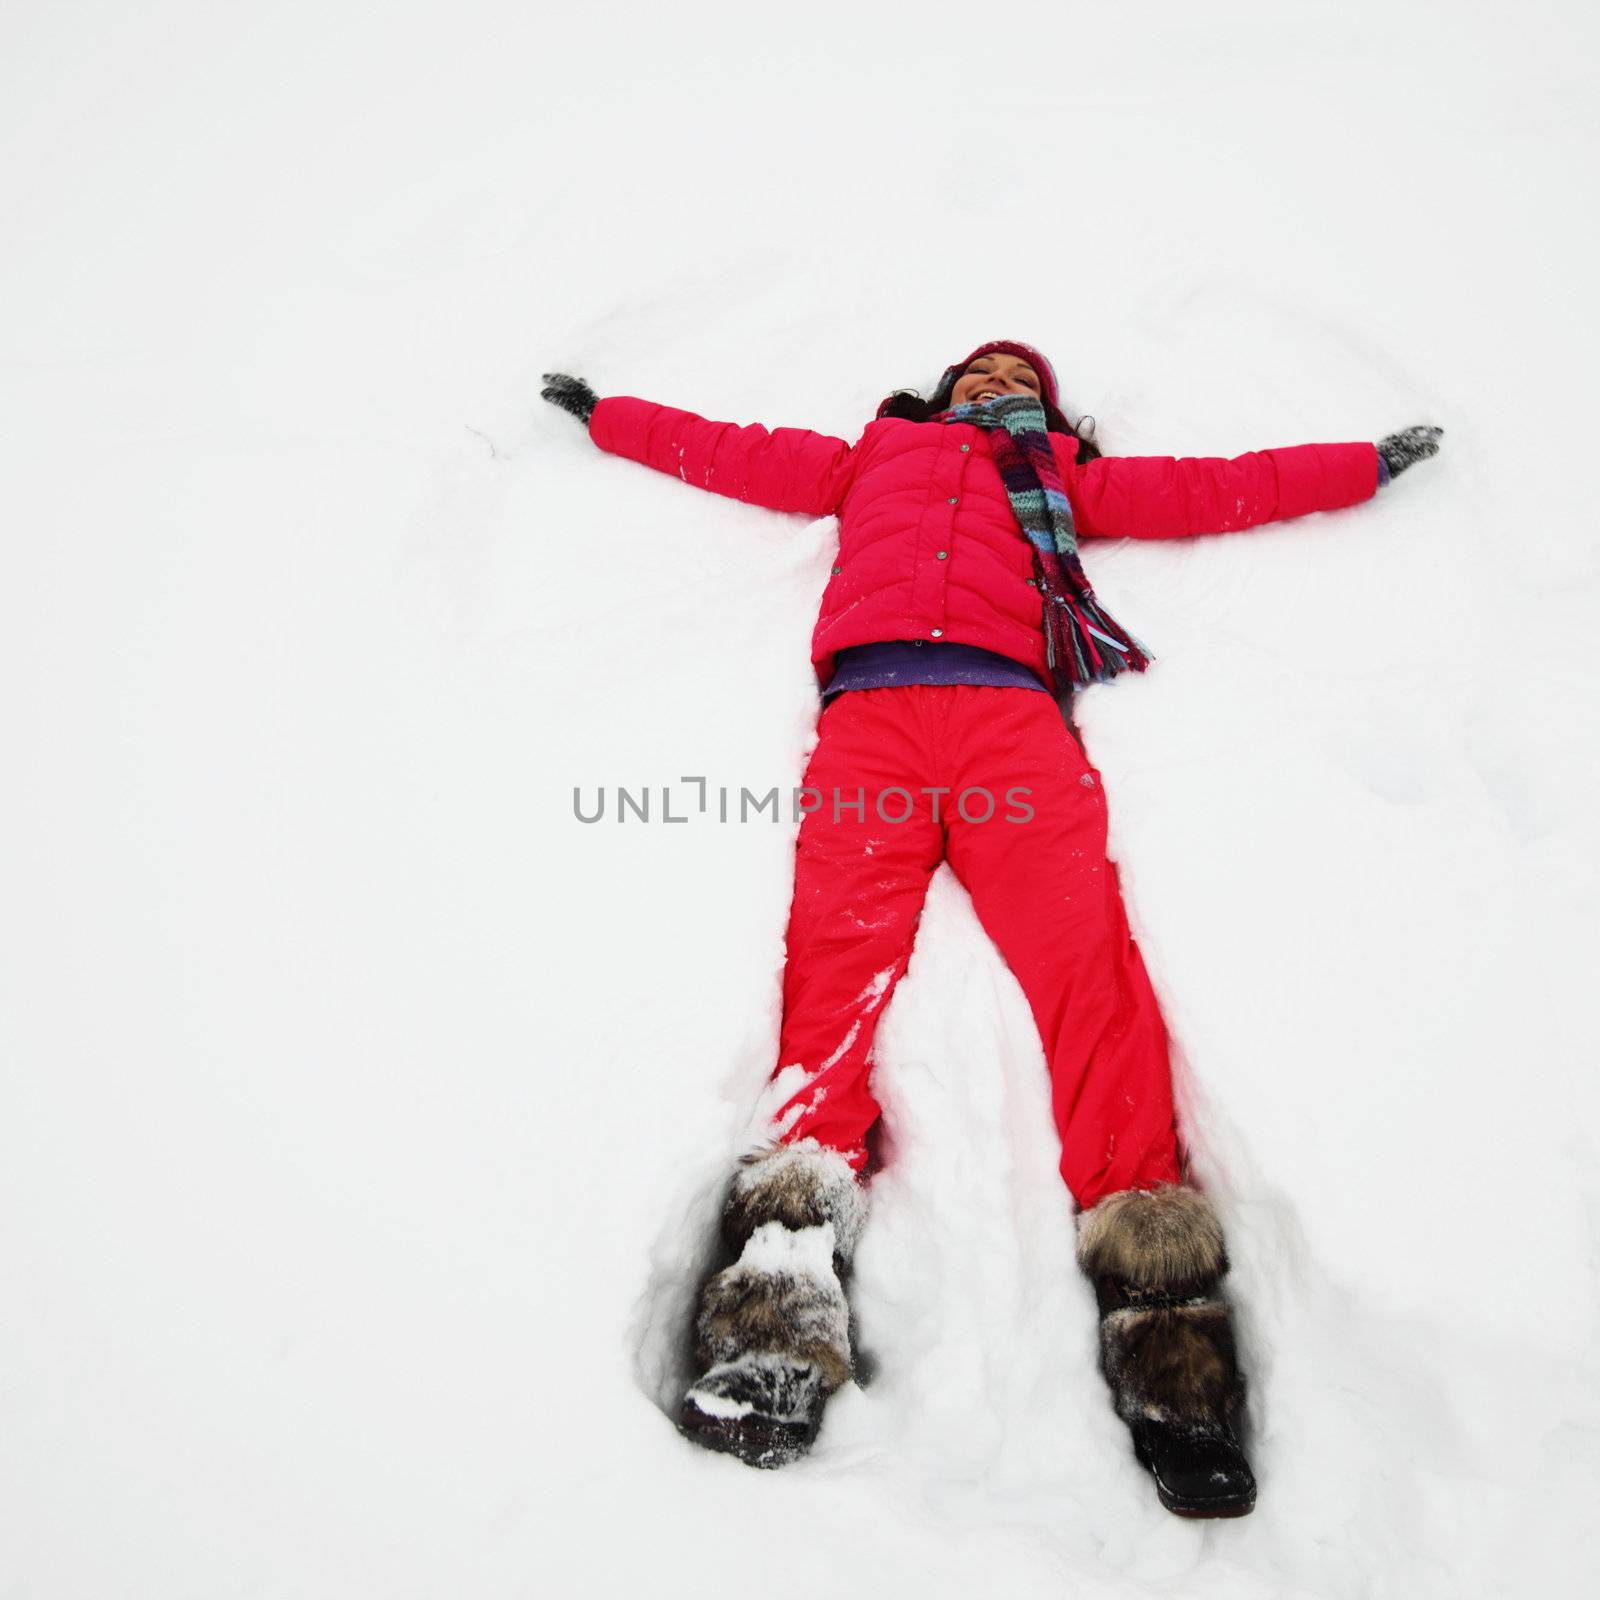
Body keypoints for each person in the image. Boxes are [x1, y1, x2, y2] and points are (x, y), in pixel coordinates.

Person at [541, 341, 1442, 1516]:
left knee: (1092, 985)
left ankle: (1172, 1356)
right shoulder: (878, 455)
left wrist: (1360, 467)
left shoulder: (1062, 477)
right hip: (871, 723)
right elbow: (736, 454)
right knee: (833, 984)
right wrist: (611, 415)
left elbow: (1223, 485)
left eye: (1014, 376)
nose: (990, 387)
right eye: (975, 373)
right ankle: (775, 1311)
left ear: (1047, 405)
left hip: (1013, 730)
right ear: (939, 393)